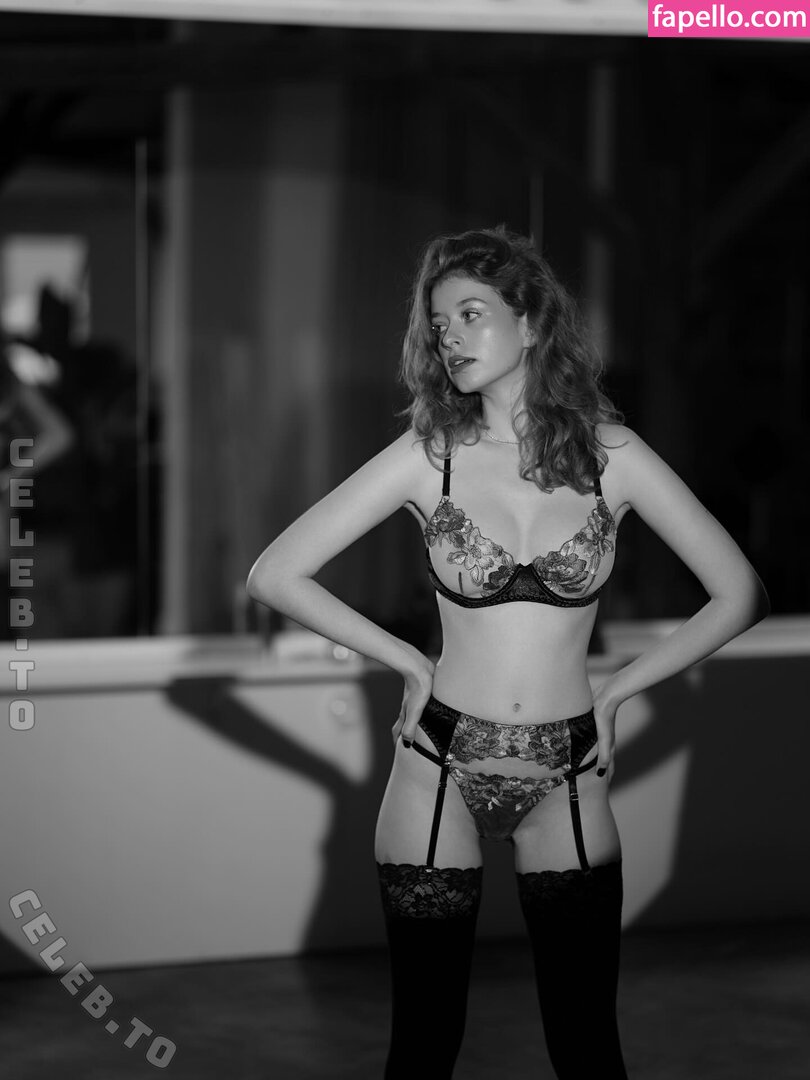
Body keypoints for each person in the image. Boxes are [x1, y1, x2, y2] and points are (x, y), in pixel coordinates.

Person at [246, 226, 769, 1078]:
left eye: (471, 314)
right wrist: (406, 661)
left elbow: (740, 593)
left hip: (568, 774)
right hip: (438, 768)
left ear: (529, 324)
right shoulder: (429, 460)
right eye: (437, 322)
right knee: (424, 1048)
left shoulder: (614, 457)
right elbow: (275, 574)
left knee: (588, 1049)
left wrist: (621, 689)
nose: (449, 336)